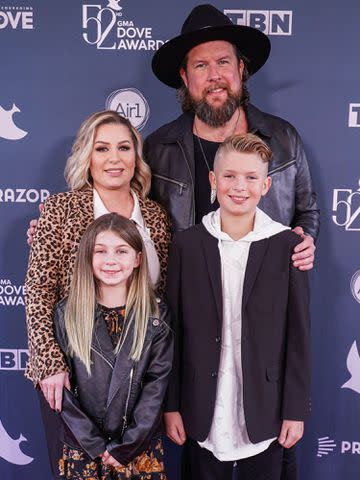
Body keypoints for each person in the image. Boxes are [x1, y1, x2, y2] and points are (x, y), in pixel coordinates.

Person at [25, 110, 171, 478]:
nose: (114, 158)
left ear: (136, 157)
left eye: (124, 147)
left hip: (136, 374)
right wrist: (50, 363)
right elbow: (39, 289)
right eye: (102, 148)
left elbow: (161, 292)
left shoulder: (155, 216)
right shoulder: (60, 210)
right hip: (72, 373)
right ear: (87, 156)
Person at [165, 133, 310, 480]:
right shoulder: (187, 244)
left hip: (266, 407)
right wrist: (171, 405)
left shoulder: (288, 245)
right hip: (201, 407)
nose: (239, 186)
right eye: (229, 176)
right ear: (214, 181)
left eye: (250, 177)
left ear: (266, 185)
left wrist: (295, 410)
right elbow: (173, 332)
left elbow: (298, 336)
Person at [145, 4, 319, 271]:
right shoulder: (159, 147)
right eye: (201, 65)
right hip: (188, 298)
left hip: (263, 292)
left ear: (240, 68)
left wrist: (306, 237)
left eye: (223, 62)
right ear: (185, 76)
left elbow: (307, 212)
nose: (215, 76)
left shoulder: (283, 137)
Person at [53, 213, 173, 479]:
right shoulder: (67, 313)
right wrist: (93, 443)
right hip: (83, 450)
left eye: (121, 251)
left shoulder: (156, 316)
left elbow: (157, 386)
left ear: (137, 259)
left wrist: (129, 444)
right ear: (87, 257)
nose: (111, 260)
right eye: (101, 251)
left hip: (137, 451)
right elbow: (62, 391)